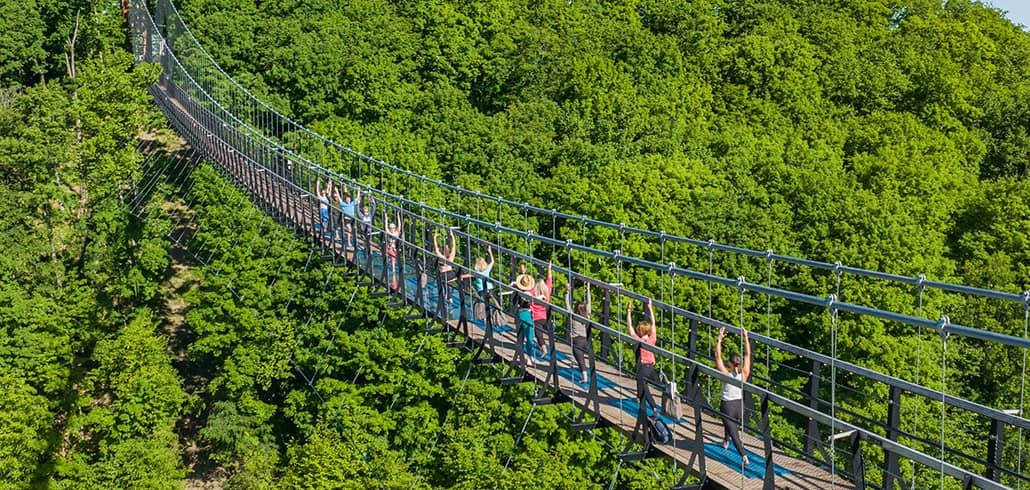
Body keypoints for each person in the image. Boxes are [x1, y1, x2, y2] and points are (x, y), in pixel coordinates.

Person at [716, 326, 752, 466]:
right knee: (729, 425)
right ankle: (725, 441)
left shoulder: (726, 375)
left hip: (728, 406)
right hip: (740, 406)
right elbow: (748, 356)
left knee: (734, 433)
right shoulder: (744, 374)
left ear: (730, 363)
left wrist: (719, 339)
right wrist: (746, 337)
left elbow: (717, 357)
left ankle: (743, 456)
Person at [627, 298, 658, 416]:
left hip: (643, 367)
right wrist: (650, 308)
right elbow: (654, 323)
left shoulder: (637, 341)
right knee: (640, 383)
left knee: (644, 387)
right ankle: (639, 399)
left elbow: (629, 326)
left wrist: (629, 311)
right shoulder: (652, 339)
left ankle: (654, 408)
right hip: (651, 367)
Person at [564, 282, 592, 384]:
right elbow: (589, 302)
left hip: (576, 341)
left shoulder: (573, 316)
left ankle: (584, 377)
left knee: (580, 361)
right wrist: (588, 289)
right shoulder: (587, 315)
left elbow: (567, 305)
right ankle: (592, 371)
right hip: (586, 341)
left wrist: (567, 292)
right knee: (590, 356)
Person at [461, 247, 499, 322]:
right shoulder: (487, 269)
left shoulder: (476, 272)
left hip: (481, 291)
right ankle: (495, 317)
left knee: (481, 305)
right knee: (495, 303)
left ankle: (485, 320)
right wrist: (490, 251)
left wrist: (461, 276)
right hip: (490, 289)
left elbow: (467, 275)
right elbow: (492, 261)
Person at [512, 268, 537, 367]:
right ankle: (529, 358)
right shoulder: (528, 294)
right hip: (526, 314)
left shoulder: (516, 292)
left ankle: (520, 355)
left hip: (518, 314)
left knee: (520, 337)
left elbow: (513, 302)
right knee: (530, 338)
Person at [433, 227, 458, 320]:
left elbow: (436, 249)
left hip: (444, 275)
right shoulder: (451, 257)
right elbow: (454, 247)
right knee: (445, 281)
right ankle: (458, 291)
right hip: (452, 274)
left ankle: (448, 296)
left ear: (442, 251)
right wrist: (452, 236)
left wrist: (435, 238)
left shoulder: (441, 257)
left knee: (442, 280)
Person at [530, 262, 553, 359]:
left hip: (536, 317)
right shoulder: (547, 290)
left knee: (538, 334)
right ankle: (542, 346)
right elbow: (549, 279)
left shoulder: (533, 293)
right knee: (541, 332)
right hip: (545, 316)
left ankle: (544, 349)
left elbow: (525, 293)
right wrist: (549, 268)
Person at [384, 207, 402, 290]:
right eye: (391, 228)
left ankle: (391, 264)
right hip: (390, 248)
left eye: (393, 228)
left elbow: (400, 225)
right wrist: (385, 218)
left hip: (396, 248)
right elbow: (385, 227)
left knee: (393, 257)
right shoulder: (389, 232)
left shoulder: (396, 233)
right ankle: (394, 269)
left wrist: (398, 216)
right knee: (393, 257)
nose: (391, 229)